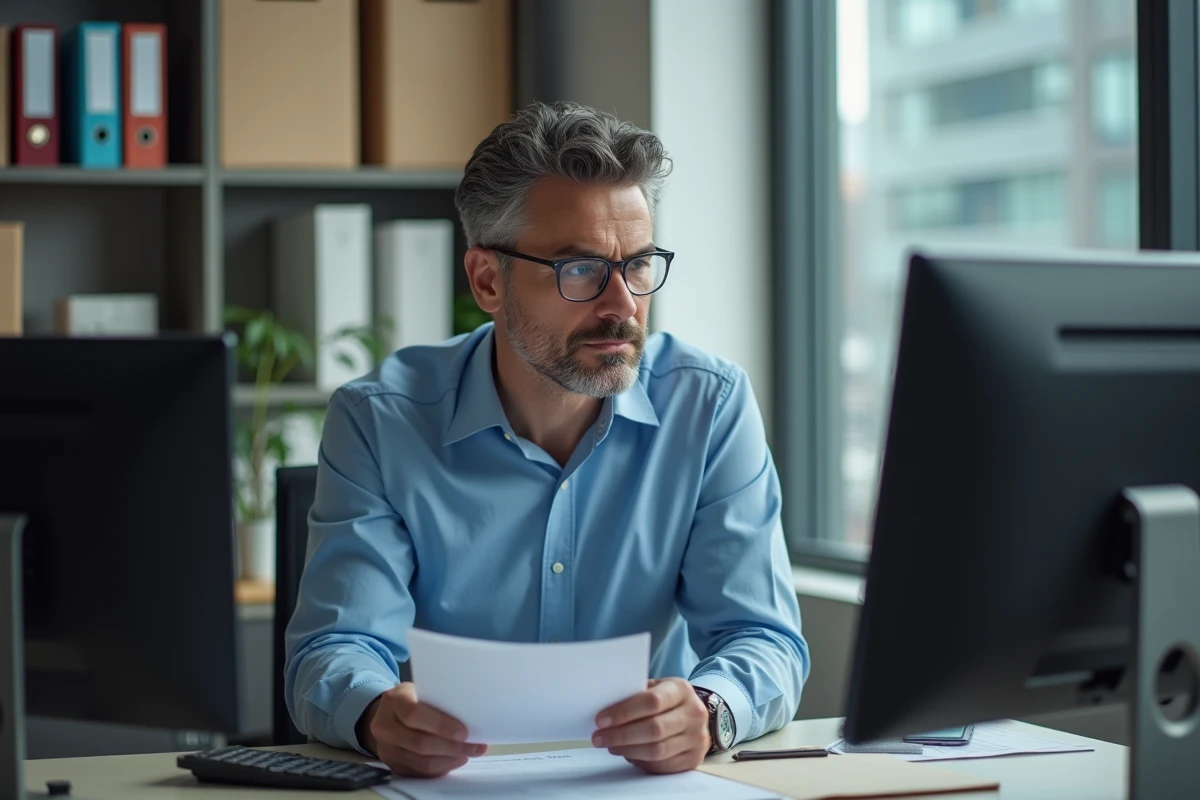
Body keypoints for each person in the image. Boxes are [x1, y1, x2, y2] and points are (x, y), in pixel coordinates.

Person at [284, 100, 809, 778]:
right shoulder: (380, 420)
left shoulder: (710, 405)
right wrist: (375, 713)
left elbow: (763, 638)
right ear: (486, 281)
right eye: (580, 269)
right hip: (450, 786)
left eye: (640, 264)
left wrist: (710, 708)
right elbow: (336, 646)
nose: (623, 304)